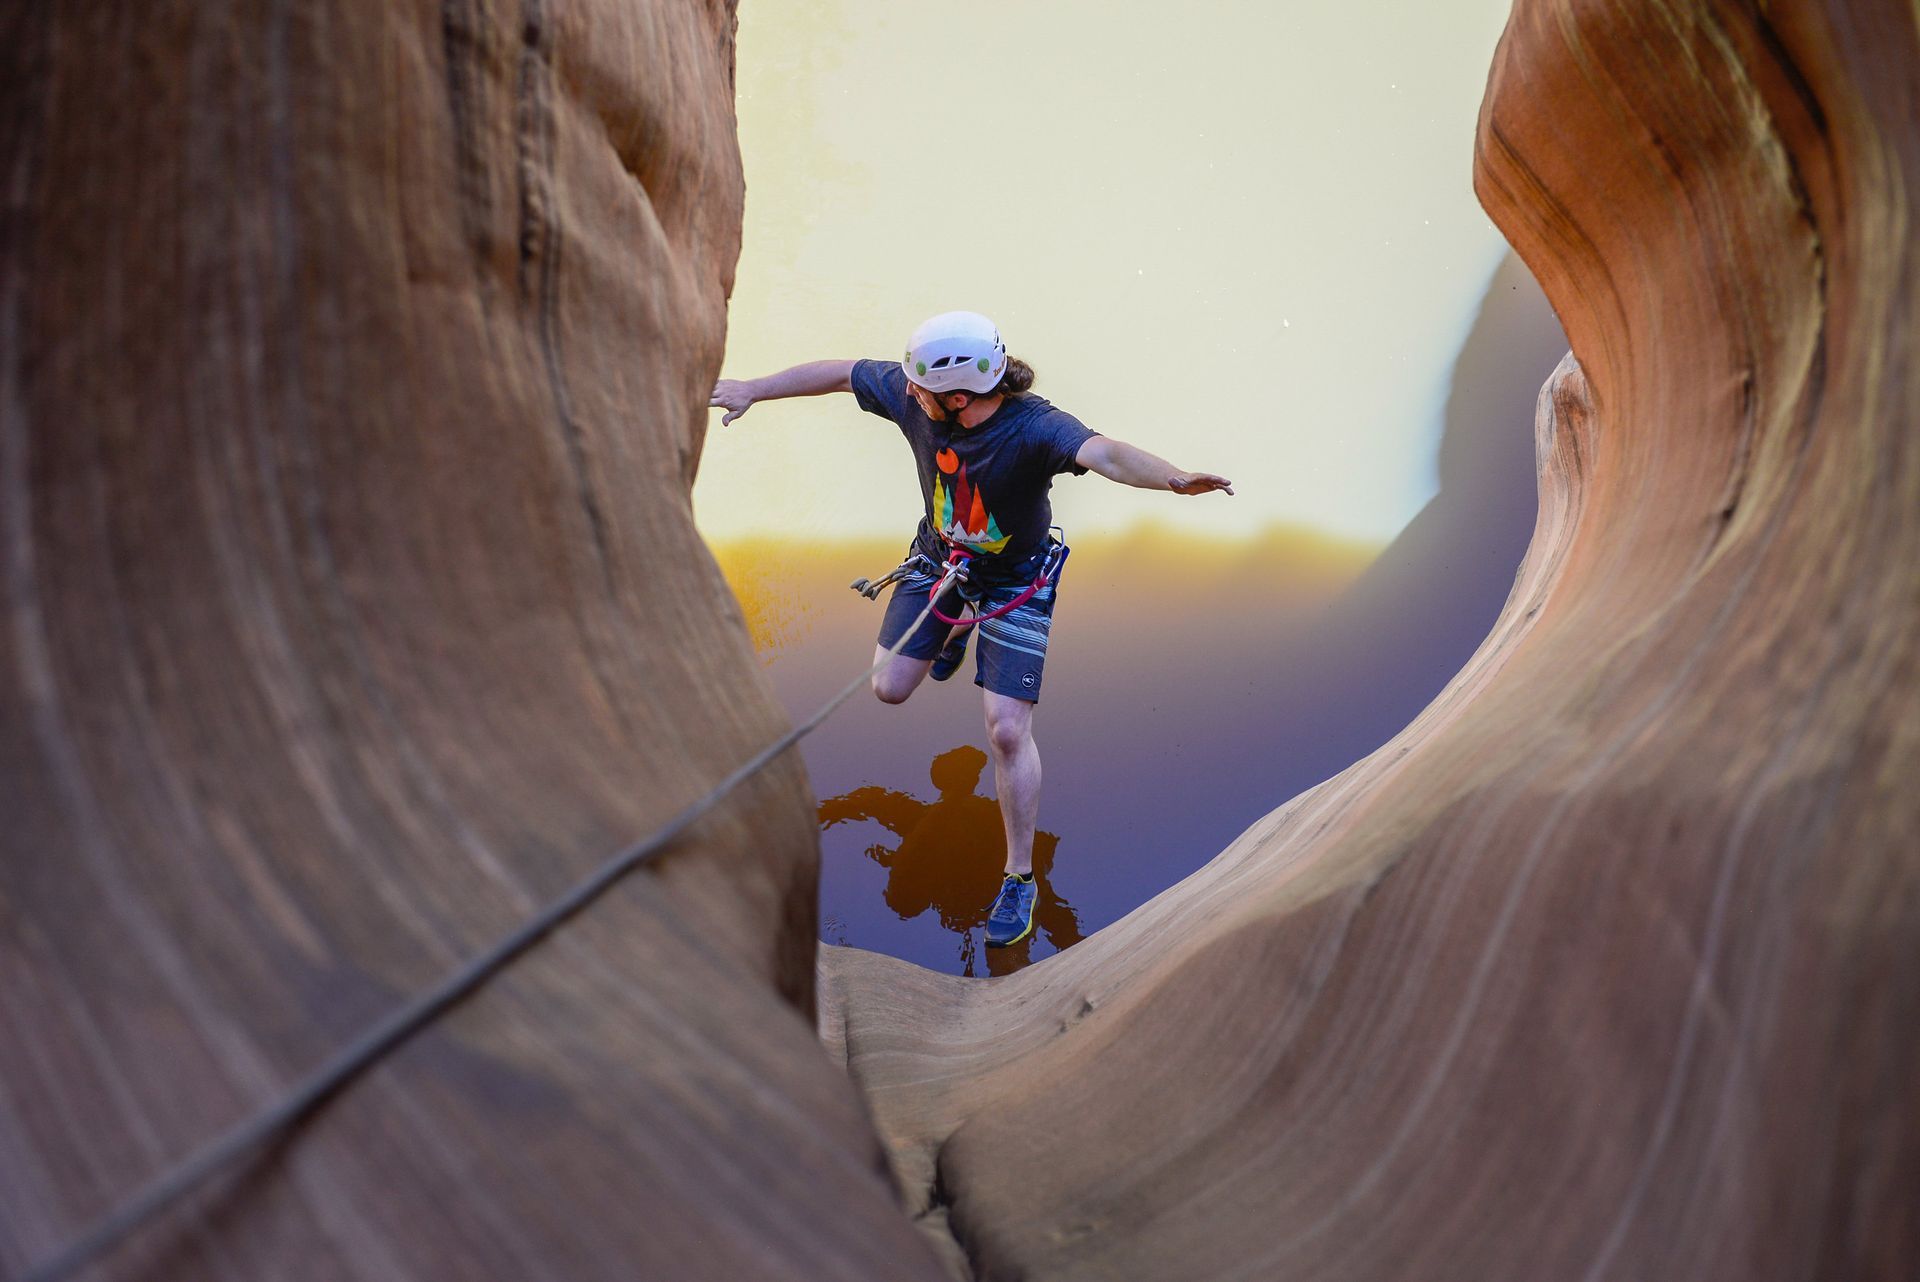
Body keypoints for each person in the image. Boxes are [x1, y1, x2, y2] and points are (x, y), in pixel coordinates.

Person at [711, 311, 1233, 950]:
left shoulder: (1035, 427)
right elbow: (842, 373)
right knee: (889, 686)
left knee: (1007, 731)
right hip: (939, 559)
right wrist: (752, 389)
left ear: (959, 398)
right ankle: (954, 633)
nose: (906, 391)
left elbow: (1105, 453)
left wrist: (1173, 478)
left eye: (919, 388)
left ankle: (1018, 878)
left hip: (1017, 581)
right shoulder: (918, 399)